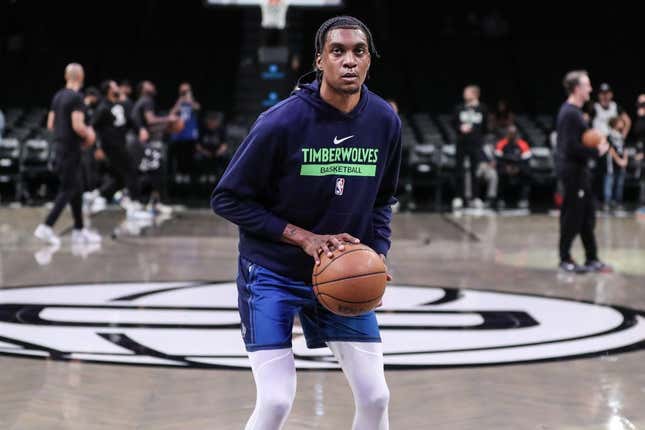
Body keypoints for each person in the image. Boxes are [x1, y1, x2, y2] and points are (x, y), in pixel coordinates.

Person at [211, 16, 398, 430]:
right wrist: (304, 238)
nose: (349, 61)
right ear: (319, 61)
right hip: (273, 272)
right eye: (338, 51)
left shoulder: (384, 121)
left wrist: (377, 258)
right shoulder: (281, 122)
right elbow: (226, 198)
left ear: (369, 61)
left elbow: (383, 199)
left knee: (376, 396)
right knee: (276, 401)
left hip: (341, 270)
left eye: (359, 52)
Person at [34, 63, 101, 246]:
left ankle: (79, 230)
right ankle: (46, 227)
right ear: (81, 77)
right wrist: (90, 134)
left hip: (59, 148)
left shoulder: (58, 96)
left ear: (66, 76)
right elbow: (78, 126)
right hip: (71, 150)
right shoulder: (77, 98)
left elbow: (50, 124)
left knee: (76, 189)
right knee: (68, 190)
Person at [556, 70, 611, 273]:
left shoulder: (577, 112)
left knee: (588, 215)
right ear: (577, 88)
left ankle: (592, 258)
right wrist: (597, 151)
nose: (590, 89)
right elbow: (570, 147)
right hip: (572, 172)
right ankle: (565, 258)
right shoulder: (569, 113)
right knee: (572, 216)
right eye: (587, 85)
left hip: (580, 171)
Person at [92, 80, 147, 217]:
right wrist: (97, 147)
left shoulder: (119, 106)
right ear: (109, 90)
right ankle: (135, 202)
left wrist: (140, 129)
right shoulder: (103, 108)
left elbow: (129, 121)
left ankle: (98, 195)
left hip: (121, 145)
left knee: (119, 177)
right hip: (110, 146)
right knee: (131, 171)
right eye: (115, 86)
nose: (118, 88)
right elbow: (93, 128)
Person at [452, 84, 488, 210]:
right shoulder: (459, 108)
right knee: (459, 170)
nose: (464, 94)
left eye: (467, 92)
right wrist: (460, 128)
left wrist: (477, 135)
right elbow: (453, 123)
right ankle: (458, 197)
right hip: (461, 143)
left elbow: (485, 127)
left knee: (475, 171)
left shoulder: (483, 109)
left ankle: (475, 197)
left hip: (475, 144)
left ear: (475, 94)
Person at [495, 124, 532, 209]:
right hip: (505, 167)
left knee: (527, 172)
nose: (511, 135)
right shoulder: (501, 143)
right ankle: (501, 199)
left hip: (519, 167)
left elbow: (526, 159)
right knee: (500, 172)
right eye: (510, 133)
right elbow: (498, 157)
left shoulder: (522, 144)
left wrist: (517, 168)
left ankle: (523, 199)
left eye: (513, 133)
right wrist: (507, 167)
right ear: (507, 134)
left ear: (516, 134)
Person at [170, 82, 201, 178]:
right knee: (179, 156)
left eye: (186, 90)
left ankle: (188, 175)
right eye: (183, 91)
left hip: (190, 134)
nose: (184, 93)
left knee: (189, 156)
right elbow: (171, 113)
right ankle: (179, 174)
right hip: (179, 133)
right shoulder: (178, 102)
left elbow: (198, 108)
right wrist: (180, 101)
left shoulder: (192, 102)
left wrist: (189, 99)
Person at [603, 117, 629, 213]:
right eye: (620, 122)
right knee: (609, 182)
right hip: (612, 164)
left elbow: (625, 148)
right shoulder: (609, 135)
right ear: (614, 123)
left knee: (619, 184)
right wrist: (618, 160)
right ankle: (607, 202)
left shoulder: (621, 136)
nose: (622, 123)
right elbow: (610, 149)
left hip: (621, 164)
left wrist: (625, 160)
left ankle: (618, 202)